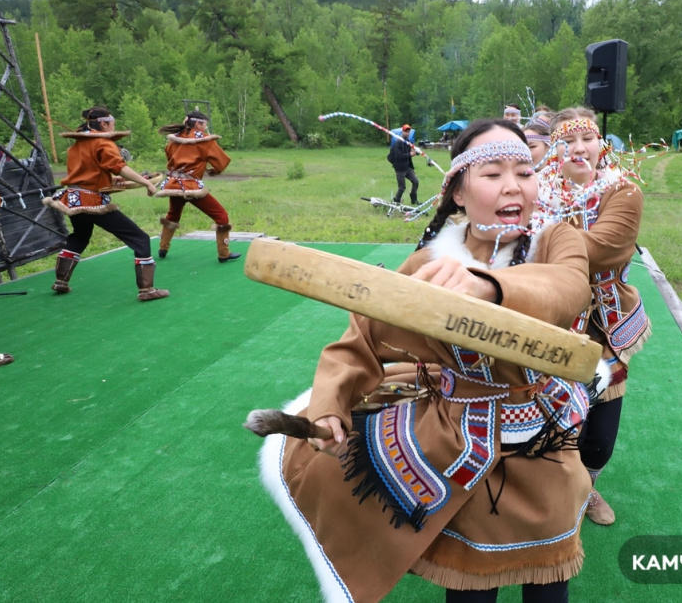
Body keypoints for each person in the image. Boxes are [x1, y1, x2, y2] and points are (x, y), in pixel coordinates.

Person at [255, 119, 593, 603]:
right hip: (458, 441)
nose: (513, 185)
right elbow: (362, 339)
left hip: (541, 438)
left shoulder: (556, 240)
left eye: (525, 170)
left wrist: (487, 287)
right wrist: (329, 404)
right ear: (457, 192)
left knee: (549, 586)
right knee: (470, 588)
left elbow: (567, 289)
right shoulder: (430, 263)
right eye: (493, 173)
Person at [540, 107, 651, 526]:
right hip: (550, 321)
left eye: (586, 138)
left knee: (599, 437)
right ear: (554, 150)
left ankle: (587, 486)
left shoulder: (623, 192)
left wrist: (538, 234)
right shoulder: (538, 191)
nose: (578, 148)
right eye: (566, 142)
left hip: (604, 327)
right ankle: (556, 489)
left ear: (601, 144)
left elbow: (605, 248)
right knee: (552, 420)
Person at [43, 106, 169, 302]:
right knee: (140, 238)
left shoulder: (77, 145)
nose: (113, 126)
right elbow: (119, 167)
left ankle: (61, 281)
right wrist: (146, 182)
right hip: (92, 201)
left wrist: (109, 179)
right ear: (103, 123)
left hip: (73, 198)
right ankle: (147, 290)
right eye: (112, 123)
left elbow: (89, 173)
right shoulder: (103, 142)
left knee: (80, 236)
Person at [156, 111, 240, 262]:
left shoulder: (174, 139)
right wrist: (215, 171)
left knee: (173, 215)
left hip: (173, 184)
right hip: (191, 187)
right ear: (198, 124)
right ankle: (224, 253)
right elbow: (221, 161)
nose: (205, 129)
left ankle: (163, 248)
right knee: (221, 215)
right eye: (204, 125)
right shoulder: (204, 140)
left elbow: (169, 156)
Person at [391, 124, 420, 205]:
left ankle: (413, 199)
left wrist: (417, 151)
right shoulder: (398, 143)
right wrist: (411, 154)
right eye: (406, 132)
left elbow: (412, 150)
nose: (407, 133)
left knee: (416, 181)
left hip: (407, 167)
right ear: (402, 132)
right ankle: (396, 201)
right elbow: (399, 156)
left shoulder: (408, 142)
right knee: (402, 187)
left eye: (408, 132)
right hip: (400, 168)